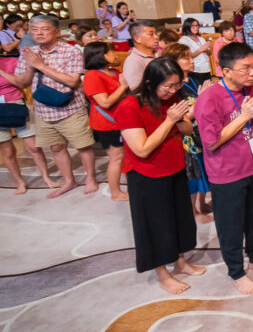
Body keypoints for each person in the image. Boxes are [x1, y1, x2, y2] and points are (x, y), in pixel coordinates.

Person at [193, 42, 253, 295]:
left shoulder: (249, 89)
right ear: (225, 71)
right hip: (226, 174)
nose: (252, 73)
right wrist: (243, 116)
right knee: (231, 224)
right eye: (245, 68)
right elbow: (211, 141)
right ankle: (236, 272)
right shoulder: (209, 99)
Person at [116, 57, 205, 294]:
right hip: (147, 174)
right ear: (149, 82)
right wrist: (170, 120)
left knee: (179, 219)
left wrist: (182, 118)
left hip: (174, 166)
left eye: (177, 86)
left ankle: (180, 262)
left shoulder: (173, 98)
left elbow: (187, 129)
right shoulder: (129, 106)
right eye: (167, 86)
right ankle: (162, 274)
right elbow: (142, 148)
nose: (173, 91)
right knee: (156, 226)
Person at [11, 14, 100, 198]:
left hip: (71, 108)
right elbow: (21, 82)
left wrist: (41, 66)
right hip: (44, 111)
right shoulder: (28, 52)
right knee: (56, 148)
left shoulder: (71, 51)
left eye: (44, 29)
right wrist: (31, 66)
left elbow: (74, 81)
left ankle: (90, 178)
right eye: (34, 30)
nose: (39, 33)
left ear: (57, 32)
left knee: (83, 146)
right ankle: (69, 180)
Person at [0, 33, 53, 194]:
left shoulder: (11, 61)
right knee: (7, 150)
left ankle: (46, 177)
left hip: (17, 104)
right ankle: (19, 182)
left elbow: (20, 83)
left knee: (33, 147)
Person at [160, 43, 214, 223]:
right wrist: (201, 101)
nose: (192, 61)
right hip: (184, 136)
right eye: (186, 57)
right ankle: (193, 212)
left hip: (200, 132)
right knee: (191, 175)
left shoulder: (193, 79)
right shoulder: (173, 88)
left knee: (202, 170)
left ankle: (202, 203)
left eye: (191, 56)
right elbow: (181, 117)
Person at [82, 42, 130, 202]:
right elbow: (105, 102)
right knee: (116, 157)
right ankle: (115, 192)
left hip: (121, 120)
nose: (115, 55)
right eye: (111, 52)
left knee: (124, 156)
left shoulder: (113, 72)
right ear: (101, 56)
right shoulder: (92, 76)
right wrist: (123, 87)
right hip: (107, 123)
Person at [122, 20, 159, 90]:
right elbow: (135, 91)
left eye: (156, 33)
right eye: (151, 34)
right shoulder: (133, 61)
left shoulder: (158, 54)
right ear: (137, 39)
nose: (156, 37)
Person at [178, 18, 212, 86]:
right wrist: (201, 50)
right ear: (187, 26)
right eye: (193, 26)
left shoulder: (201, 38)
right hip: (195, 70)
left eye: (197, 26)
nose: (196, 28)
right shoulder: (184, 40)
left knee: (208, 89)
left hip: (206, 68)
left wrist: (206, 50)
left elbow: (209, 53)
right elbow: (186, 56)